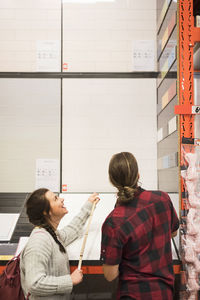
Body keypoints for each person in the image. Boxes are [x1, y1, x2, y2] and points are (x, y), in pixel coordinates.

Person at [100, 152, 179, 300]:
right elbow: (173, 232)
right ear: (138, 175)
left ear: (112, 181)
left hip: (133, 294)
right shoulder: (162, 199)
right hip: (164, 292)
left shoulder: (114, 222)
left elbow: (110, 275)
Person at [20, 188, 100, 300]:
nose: (62, 199)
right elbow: (35, 283)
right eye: (56, 199)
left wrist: (89, 205)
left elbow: (72, 230)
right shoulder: (39, 241)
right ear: (46, 212)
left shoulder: (51, 234)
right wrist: (70, 280)